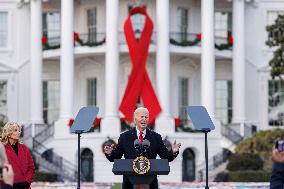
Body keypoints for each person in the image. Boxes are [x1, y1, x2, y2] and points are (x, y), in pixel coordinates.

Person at [104, 107, 181, 189]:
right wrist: (110, 153)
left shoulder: (156, 137)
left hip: (150, 182)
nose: (144, 119)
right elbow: (116, 157)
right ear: (135, 119)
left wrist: (173, 151)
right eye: (142, 117)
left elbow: (166, 157)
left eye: (146, 117)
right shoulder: (125, 137)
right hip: (129, 183)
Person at [1, 122, 35, 189]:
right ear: (9, 133)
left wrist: (27, 182)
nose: (19, 132)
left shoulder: (24, 148)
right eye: (15, 130)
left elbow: (31, 168)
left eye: (19, 130)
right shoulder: (2, 148)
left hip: (25, 186)